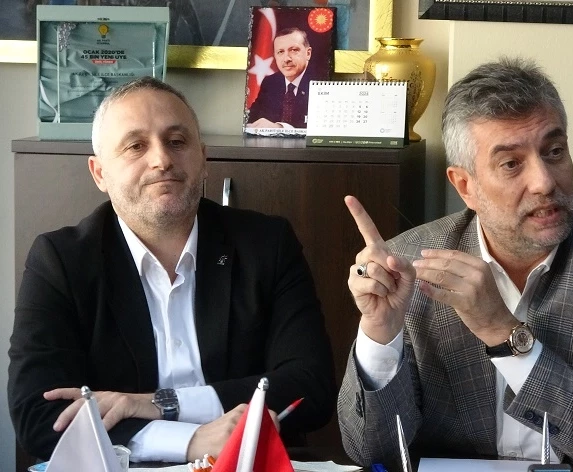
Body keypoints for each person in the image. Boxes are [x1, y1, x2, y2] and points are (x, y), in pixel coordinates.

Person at [337, 57, 573, 472]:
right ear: (465, 186)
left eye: (554, 152)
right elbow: (370, 452)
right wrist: (380, 334)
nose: (545, 182)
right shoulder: (410, 262)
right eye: (511, 163)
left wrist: (501, 331)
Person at [8, 76, 335, 463]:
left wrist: (159, 404)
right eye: (136, 146)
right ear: (99, 173)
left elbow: (310, 387)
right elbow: (40, 417)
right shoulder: (61, 261)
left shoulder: (266, 244)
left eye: (177, 141)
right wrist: (190, 440)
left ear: (203, 158)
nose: (162, 159)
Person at [246, 27, 315, 130]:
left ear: (308, 53)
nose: (286, 59)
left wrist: (281, 128)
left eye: (294, 50)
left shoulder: (321, 83)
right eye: (280, 52)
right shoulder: (270, 83)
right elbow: (253, 119)